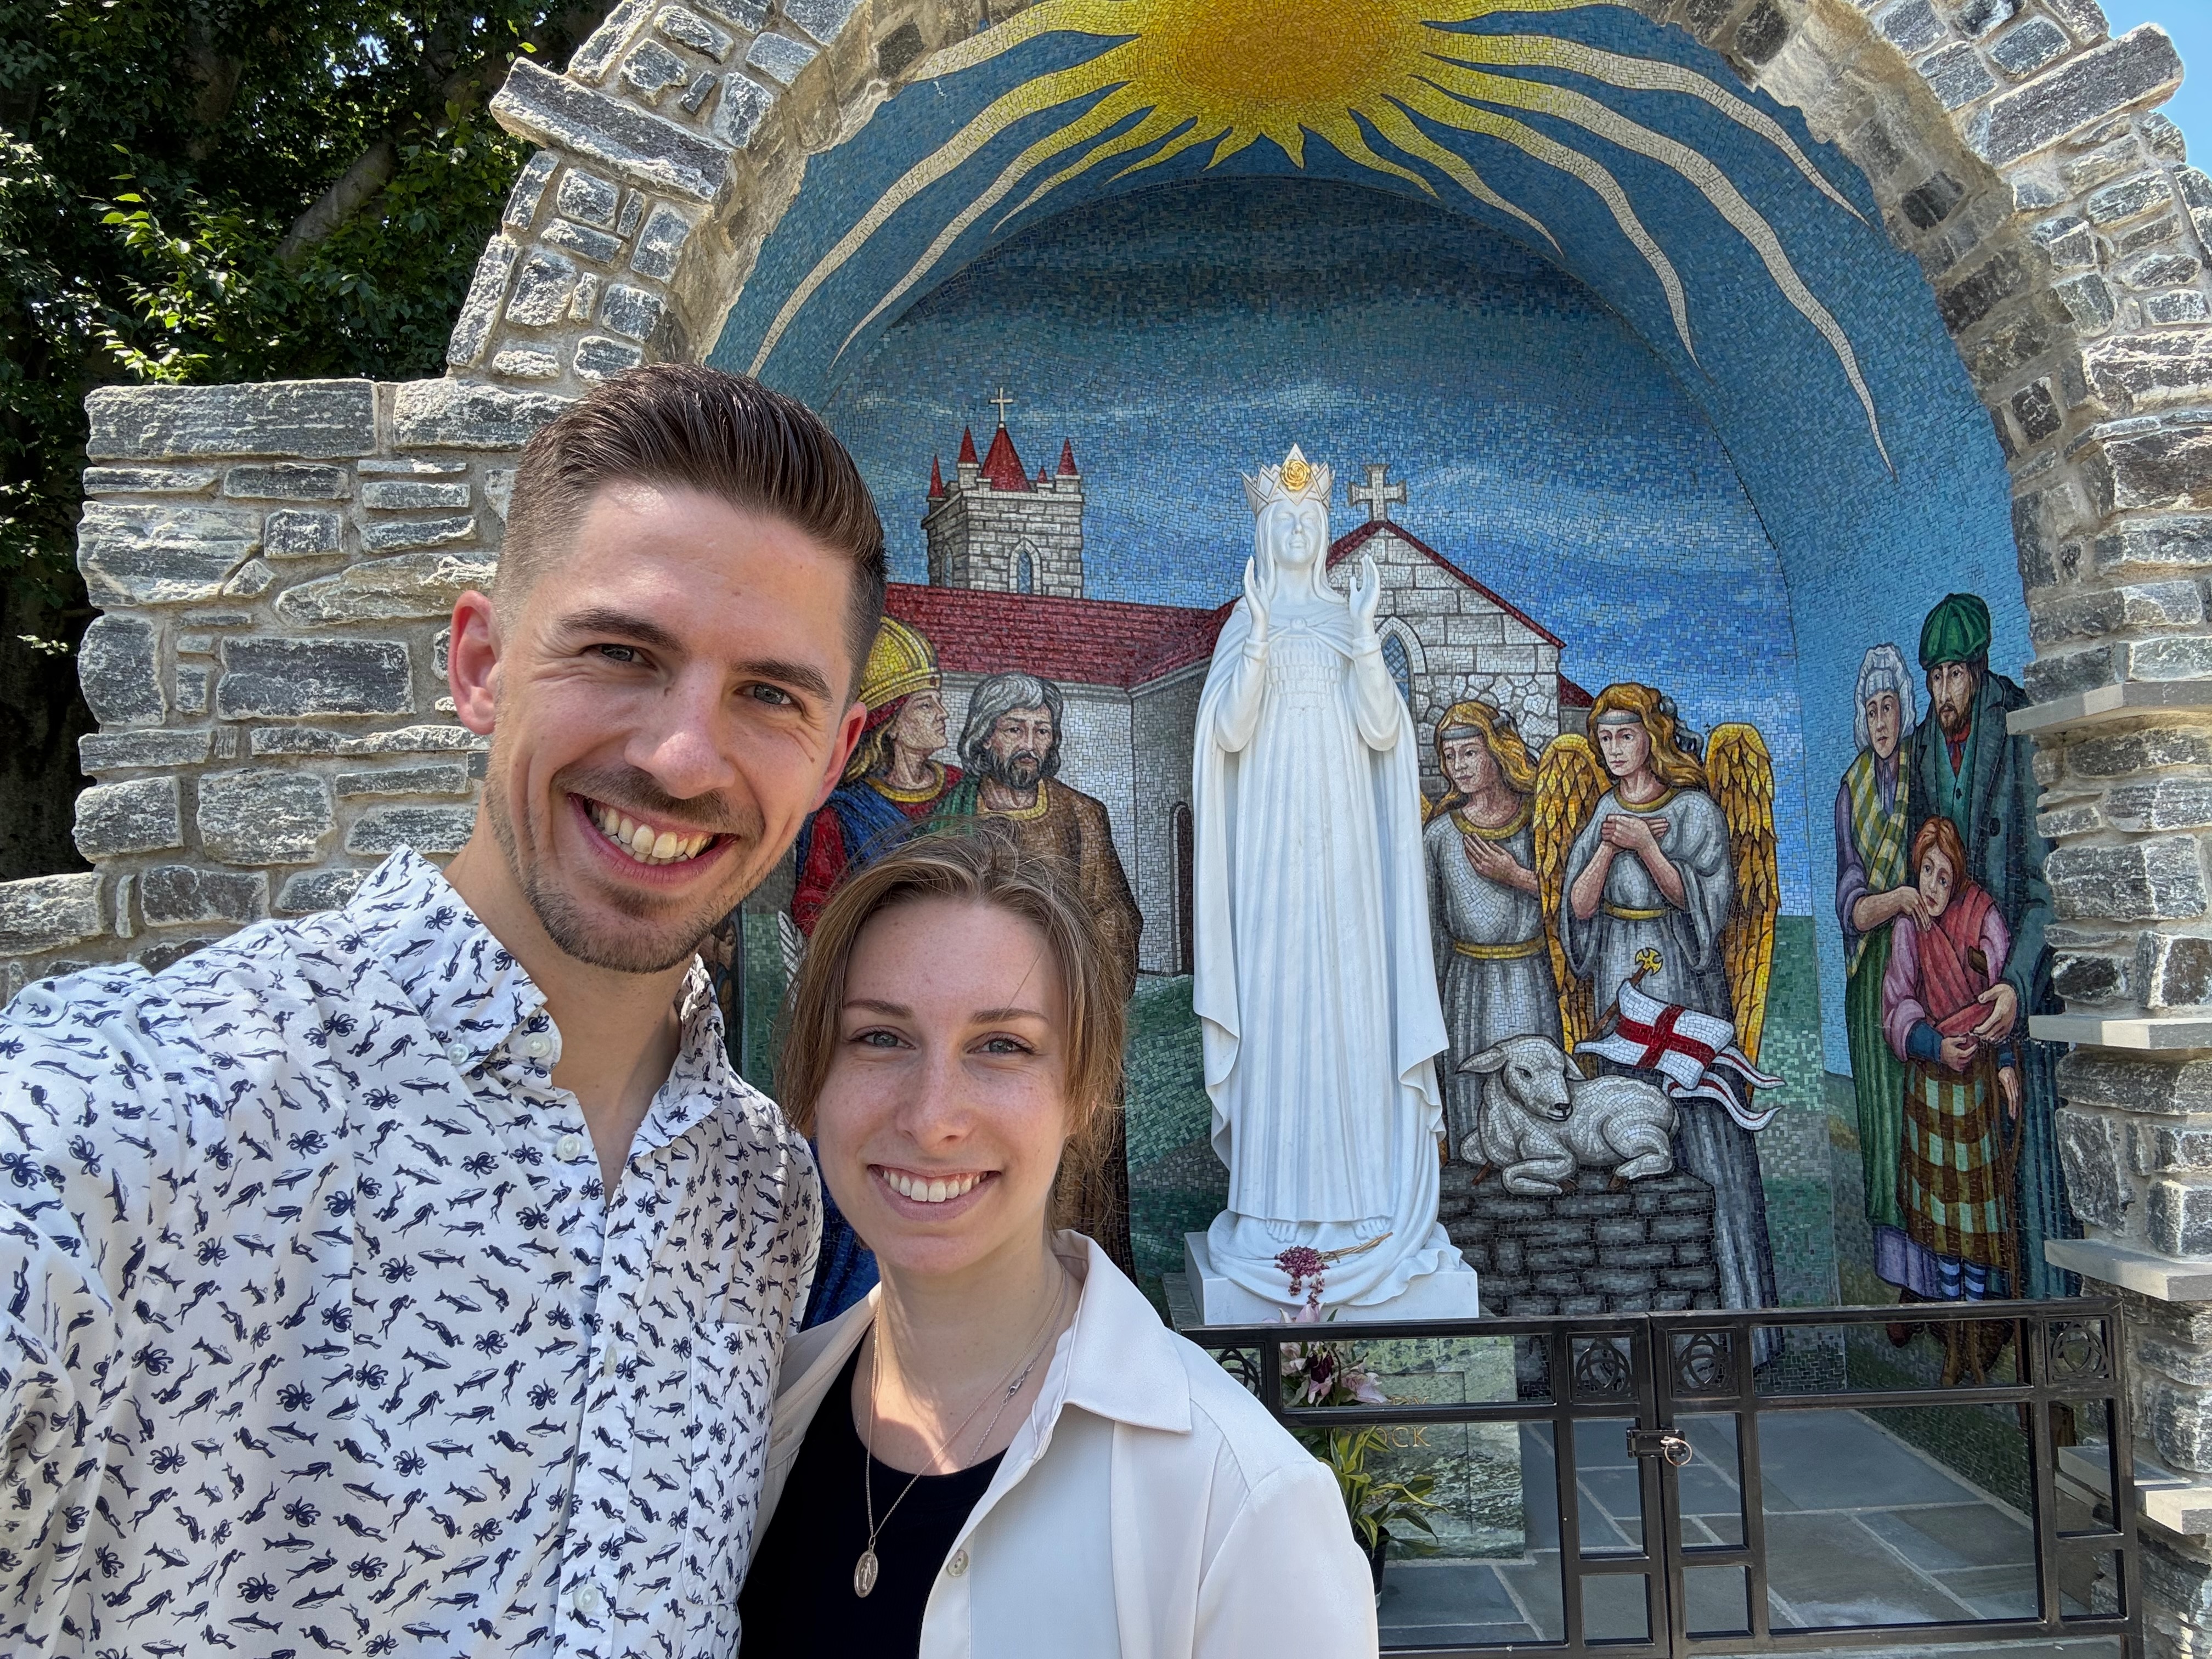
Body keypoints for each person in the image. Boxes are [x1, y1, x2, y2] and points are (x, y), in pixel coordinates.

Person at [0, 364, 882, 1657]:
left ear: (832, 757)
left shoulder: (769, 1208)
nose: (684, 756)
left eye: (769, 694)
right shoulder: (112, 1118)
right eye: (622, 653)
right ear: (480, 665)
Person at [738, 829, 1374, 1657]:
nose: (932, 1118)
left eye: (1001, 1046)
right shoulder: (757, 1413)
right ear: (815, 1077)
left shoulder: (1240, 1504)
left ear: (1082, 1093)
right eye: (880, 1037)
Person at [1192, 445, 1462, 1313]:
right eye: (1285, 521)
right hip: (1271, 853)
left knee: (1349, 1018)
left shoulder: (1352, 617)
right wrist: (1262, 642)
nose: (1300, 531)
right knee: (1278, 1016)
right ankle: (1272, 1213)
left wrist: (1367, 643)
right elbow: (1225, 736)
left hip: (1345, 857)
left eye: (1312, 520)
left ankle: (1355, 1214)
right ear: (1266, 535)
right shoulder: (1246, 621)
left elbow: (1385, 732)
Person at [1560, 684, 1779, 1334]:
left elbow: (1706, 906)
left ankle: (1736, 1318)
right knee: (1623, 1127)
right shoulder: (1602, 810)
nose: (1614, 749)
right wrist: (1607, 845)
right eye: (1604, 739)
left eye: (1625, 735)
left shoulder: (1696, 811)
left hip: (1682, 979)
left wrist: (1650, 847)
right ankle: (1632, 1321)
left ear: (1651, 736)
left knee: (1699, 1122)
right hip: (1619, 979)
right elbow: (1577, 909)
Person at [1903, 591, 2073, 1296]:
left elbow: (2044, 883)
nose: (1943, 693)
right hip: (1955, 997)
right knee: (1965, 1181)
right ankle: (1981, 1320)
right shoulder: (1921, 748)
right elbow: (1921, 871)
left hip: (2014, 986)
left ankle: (2053, 1339)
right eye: (1933, 678)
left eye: (1954, 676)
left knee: (2029, 1177)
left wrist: (2017, 982)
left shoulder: (2022, 727)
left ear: (1978, 670)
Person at [1882, 815, 2021, 1329]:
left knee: (1975, 1212)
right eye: (1927, 872)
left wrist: (2004, 1062)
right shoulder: (1907, 928)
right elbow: (1896, 1007)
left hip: (1977, 1083)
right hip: (1934, 1081)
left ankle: (1977, 1316)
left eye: (1945, 877)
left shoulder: (1981, 916)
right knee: (1941, 1215)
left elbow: (2000, 999)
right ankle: (1951, 1320)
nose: (1934, 888)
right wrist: (1934, 1045)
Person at [1423, 699, 1561, 1161]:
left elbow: (1576, 903)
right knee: (1473, 1097)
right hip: (1466, 987)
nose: (1457, 766)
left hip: (1530, 977)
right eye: (1450, 756)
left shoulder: (1541, 820)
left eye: (1469, 753)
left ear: (1497, 752)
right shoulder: (1441, 835)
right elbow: (1430, 932)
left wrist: (1518, 878)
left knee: (1537, 1090)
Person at [1833, 644, 1923, 1295]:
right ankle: (1900, 1274)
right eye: (1872, 710)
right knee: (1882, 1119)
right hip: (1872, 975)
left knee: (1929, 1113)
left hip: (1929, 969)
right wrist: (1891, 901)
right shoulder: (1853, 788)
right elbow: (1850, 897)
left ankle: (1946, 1267)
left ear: (1904, 709)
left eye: (1888, 706)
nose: (1881, 720)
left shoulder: (1925, 774)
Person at [793, 617, 962, 935]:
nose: (944, 714)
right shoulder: (841, 815)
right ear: (892, 725)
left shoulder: (963, 789)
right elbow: (814, 906)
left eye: (939, 703)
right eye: (926, 706)